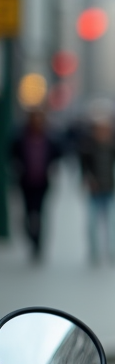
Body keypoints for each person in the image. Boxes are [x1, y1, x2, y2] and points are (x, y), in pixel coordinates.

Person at [9, 110, 61, 263]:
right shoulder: (21, 138)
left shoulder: (49, 138)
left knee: (40, 213)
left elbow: (57, 154)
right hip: (26, 182)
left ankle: (38, 244)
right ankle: (31, 238)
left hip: (43, 182)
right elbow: (12, 155)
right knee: (27, 213)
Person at [77, 113, 115, 265]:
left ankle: (113, 251)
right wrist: (87, 181)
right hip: (95, 189)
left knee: (113, 222)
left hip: (110, 187)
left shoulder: (113, 145)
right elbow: (84, 168)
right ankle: (94, 251)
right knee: (92, 222)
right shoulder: (88, 147)